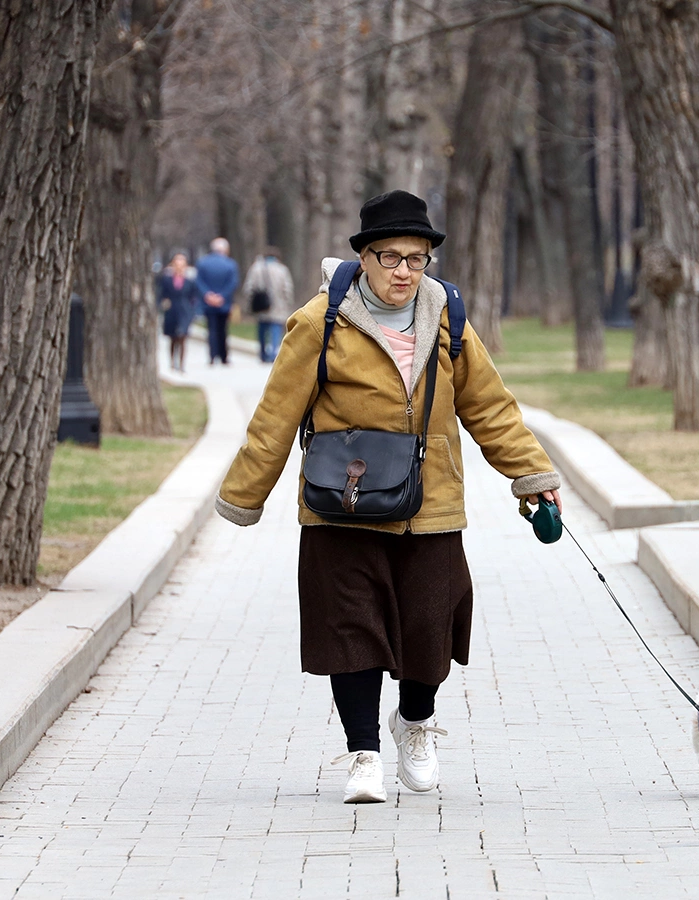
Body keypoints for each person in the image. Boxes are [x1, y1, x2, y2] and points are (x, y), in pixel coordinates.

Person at [214, 190, 562, 804]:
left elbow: (490, 407)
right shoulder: (319, 322)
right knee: (351, 629)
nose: (404, 271)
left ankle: (415, 722)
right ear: (364, 257)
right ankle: (363, 754)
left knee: (432, 625)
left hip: (430, 502)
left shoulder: (448, 316)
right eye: (391, 257)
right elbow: (275, 416)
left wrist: (532, 476)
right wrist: (245, 495)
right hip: (341, 502)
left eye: (416, 258)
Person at [243, 246, 294, 363]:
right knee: (275, 328)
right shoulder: (282, 270)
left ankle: (262, 353)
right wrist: (288, 302)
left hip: (261, 305)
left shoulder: (256, 269)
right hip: (278, 305)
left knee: (262, 328)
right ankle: (273, 352)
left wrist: (251, 302)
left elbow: (249, 287)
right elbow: (287, 289)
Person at [195, 238, 240, 365]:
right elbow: (233, 283)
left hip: (208, 302)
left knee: (211, 329)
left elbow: (199, 281)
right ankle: (224, 355)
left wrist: (208, 295)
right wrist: (222, 296)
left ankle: (212, 355)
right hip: (224, 302)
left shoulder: (203, 263)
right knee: (223, 329)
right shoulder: (230, 264)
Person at [156, 252, 197, 372]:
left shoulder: (189, 281)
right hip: (172, 309)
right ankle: (172, 362)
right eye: (177, 265)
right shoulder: (166, 280)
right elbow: (161, 294)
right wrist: (162, 304)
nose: (179, 268)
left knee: (182, 336)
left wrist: (193, 310)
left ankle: (182, 364)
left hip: (184, 310)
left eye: (182, 265)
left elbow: (194, 296)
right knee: (173, 337)